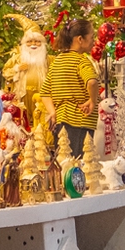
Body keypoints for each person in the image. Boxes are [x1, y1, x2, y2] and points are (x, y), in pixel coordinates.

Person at [46, 18, 102, 159]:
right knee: (79, 165)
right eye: (91, 37)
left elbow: (45, 92)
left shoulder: (57, 61)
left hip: (60, 122)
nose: (93, 41)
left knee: (64, 165)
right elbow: (92, 82)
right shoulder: (81, 61)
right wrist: (92, 101)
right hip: (80, 122)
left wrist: (52, 112)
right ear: (80, 39)